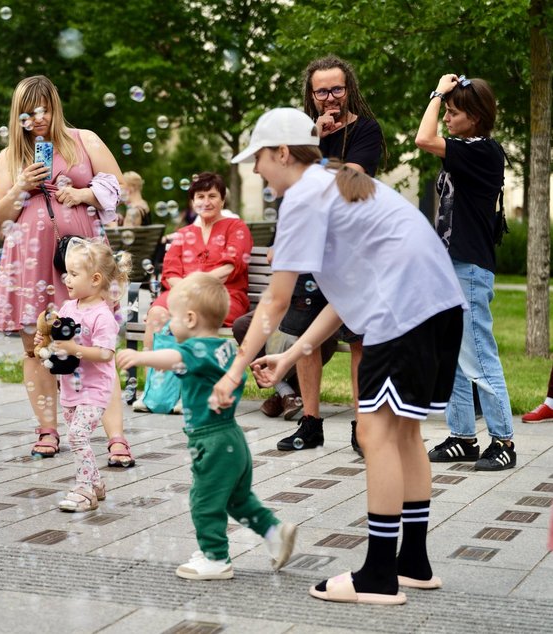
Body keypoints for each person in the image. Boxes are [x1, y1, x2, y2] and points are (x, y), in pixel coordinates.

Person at [215, 108, 465, 604]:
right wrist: (289, 358)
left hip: (403, 312)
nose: (257, 171)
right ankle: (411, 562)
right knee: (404, 432)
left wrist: (235, 370)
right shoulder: (337, 181)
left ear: (282, 153)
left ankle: (377, 575)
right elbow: (343, 297)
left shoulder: (304, 197)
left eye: (259, 160)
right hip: (438, 306)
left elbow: (276, 299)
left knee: (374, 433)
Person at [0, 75, 135, 468]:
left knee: (97, 343)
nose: (37, 119)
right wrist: (20, 186)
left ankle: (115, 437)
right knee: (36, 347)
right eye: (27, 112)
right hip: (29, 260)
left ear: (55, 106)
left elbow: (119, 187)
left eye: (44, 109)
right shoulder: (9, 157)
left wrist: (85, 194)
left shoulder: (85, 139)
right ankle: (47, 430)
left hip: (83, 261)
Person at [117, 273, 297, 580]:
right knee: (237, 499)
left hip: (211, 443)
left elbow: (172, 357)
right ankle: (273, 531)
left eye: (172, 317)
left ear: (189, 318)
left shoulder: (194, 350)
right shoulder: (224, 349)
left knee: (204, 500)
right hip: (233, 439)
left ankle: (215, 558)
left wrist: (139, 356)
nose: (169, 324)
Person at [276, 55, 384, 454]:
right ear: (311, 93)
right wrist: (312, 139)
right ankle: (310, 422)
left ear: (349, 88)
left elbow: (347, 181)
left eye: (336, 89)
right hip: (309, 251)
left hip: (353, 251)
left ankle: (361, 427)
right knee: (304, 337)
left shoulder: (367, 130)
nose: (329, 98)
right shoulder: (301, 136)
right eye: (321, 91)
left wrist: (316, 150)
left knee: (358, 341)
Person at [416, 74, 517, 471]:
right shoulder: (465, 148)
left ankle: (504, 440)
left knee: (479, 354)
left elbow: (422, 138)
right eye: (447, 111)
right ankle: (462, 436)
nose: (445, 118)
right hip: (450, 266)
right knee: (454, 356)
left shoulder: (482, 151)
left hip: (470, 268)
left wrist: (439, 93)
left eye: (453, 113)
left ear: (474, 118)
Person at [46, 240, 131, 512]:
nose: (66, 279)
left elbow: (106, 354)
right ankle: (96, 483)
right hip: (70, 388)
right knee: (75, 433)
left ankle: (84, 491)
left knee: (77, 436)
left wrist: (75, 349)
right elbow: (57, 336)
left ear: (95, 279)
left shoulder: (102, 316)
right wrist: (45, 338)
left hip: (95, 389)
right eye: (66, 273)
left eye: (73, 274)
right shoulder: (69, 308)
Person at [139, 172, 253, 353]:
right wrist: (186, 292)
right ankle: (157, 378)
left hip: (222, 295)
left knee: (189, 313)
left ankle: (187, 375)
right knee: (156, 314)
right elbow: (170, 274)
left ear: (222, 201)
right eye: (200, 196)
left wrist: (192, 288)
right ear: (193, 202)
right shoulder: (183, 233)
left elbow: (230, 268)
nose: (206, 202)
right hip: (181, 293)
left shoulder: (236, 227)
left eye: (212, 196)